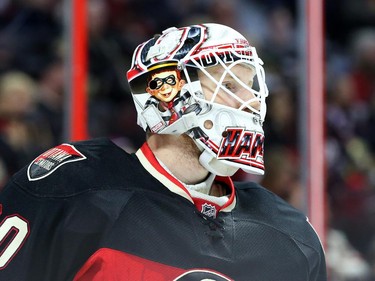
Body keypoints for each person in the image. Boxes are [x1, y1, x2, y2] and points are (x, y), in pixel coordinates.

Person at [0, 23, 327, 281]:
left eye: (251, 87)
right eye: (229, 85)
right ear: (165, 94)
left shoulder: (290, 234)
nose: (253, 101)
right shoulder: (73, 188)